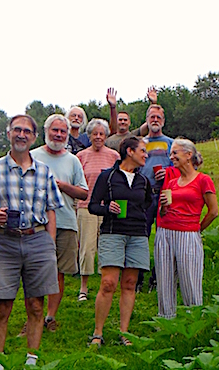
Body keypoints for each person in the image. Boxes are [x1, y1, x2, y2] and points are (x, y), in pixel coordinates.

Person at [0, 114, 64, 370]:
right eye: (17, 130)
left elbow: (51, 210)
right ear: (9, 134)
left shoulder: (45, 171)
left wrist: (49, 243)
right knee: (2, 306)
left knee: (36, 305)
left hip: (37, 240)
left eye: (27, 131)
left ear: (34, 137)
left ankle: (31, 363)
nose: (21, 135)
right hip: (4, 242)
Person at [88, 136, 154, 346]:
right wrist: (108, 208)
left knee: (130, 283)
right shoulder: (107, 177)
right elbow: (92, 206)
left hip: (137, 234)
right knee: (108, 283)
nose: (146, 155)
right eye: (142, 151)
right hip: (112, 232)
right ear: (129, 151)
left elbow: (147, 205)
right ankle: (97, 333)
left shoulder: (144, 181)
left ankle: (125, 334)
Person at [30, 114, 89, 332]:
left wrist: (61, 185)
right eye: (55, 130)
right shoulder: (32, 156)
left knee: (58, 273)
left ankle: (49, 317)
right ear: (46, 131)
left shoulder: (73, 160)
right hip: (35, 224)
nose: (59, 134)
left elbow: (83, 193)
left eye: (63, 131)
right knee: (34, 272)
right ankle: (32, 318)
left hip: (65, 222)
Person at [155, 138, 218, 318]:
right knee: (165, 280)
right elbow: (163, 210)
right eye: (171, 153)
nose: (171, 157)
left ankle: (194, 319)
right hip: (165, 232)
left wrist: (197, 229)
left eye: (175, 153)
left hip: (188, 234)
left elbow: (213, 211)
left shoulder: (203, 180)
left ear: (188, 155)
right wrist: (164, 208)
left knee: (190, 280)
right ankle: (166, 319)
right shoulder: (172, 182)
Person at [76, 119, 120, 302]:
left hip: (108, 208)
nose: (98, 137)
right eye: (95, 133)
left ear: (106, 136)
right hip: (85, 207)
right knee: (86, 248)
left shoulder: (114, 156)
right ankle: (83, 287)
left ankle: (106, 284)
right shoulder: (80, 156)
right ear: (90, 135)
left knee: (107, 246)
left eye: (102, 134)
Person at [138, 103, 176, 292]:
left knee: (163, 238)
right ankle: (138, 277)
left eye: (158, 118)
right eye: (152, 117)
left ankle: (157, 277)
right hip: (143, 195)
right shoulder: (140, 143)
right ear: (147, 120)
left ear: (163, 121)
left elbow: (179, 166)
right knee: (140, 236)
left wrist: (168, 172)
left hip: (164, 194)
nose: (155, 120)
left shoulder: (170, 143)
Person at [106, 86, 155, 152]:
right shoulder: (108, 140)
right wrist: (113, 107)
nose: (123, 122)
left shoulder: (133, 136)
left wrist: (153, 104)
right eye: (120, 120)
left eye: (125, 120)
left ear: (129, 122)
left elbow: (149, 123)